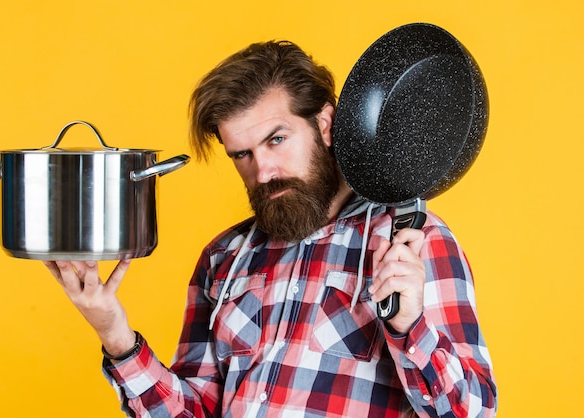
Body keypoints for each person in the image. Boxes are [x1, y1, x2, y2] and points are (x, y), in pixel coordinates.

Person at [44, 40, 497, 417]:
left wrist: (410, 326)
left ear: (325, 124)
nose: (262, 171)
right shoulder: (224, 258)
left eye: (276, 140)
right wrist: (116, 336)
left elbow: (473, 410)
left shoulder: (409, 244)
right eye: (241, 155)